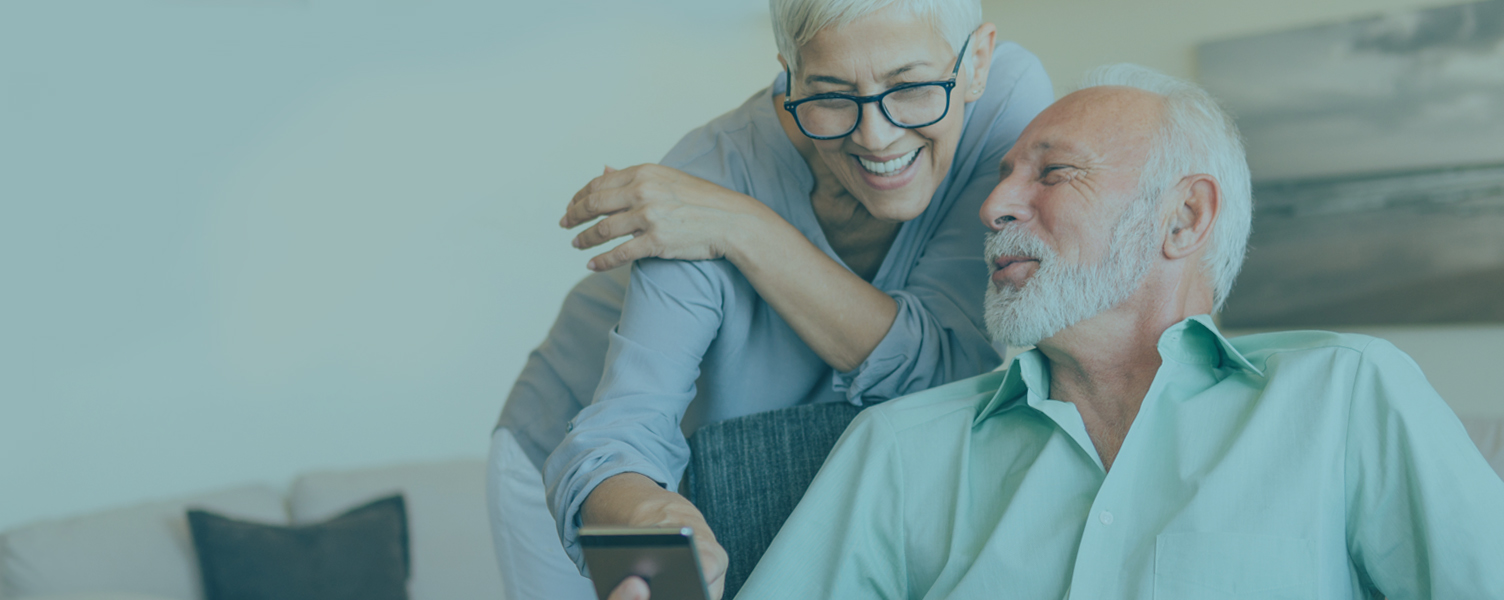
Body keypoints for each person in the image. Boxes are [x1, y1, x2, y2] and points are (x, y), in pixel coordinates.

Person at [716, 64, 1504, 600]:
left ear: (1184, 217)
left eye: (1052, 173)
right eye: (1003, 178)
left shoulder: (1345, 393)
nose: (995, 210)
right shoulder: (895, 448)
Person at [486, 0, 1055, 598]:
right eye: (831, 94)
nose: (877, 135)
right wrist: (648, 516)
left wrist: (744, 228)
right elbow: (615, 436)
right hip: (583, 462)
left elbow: (946, 368)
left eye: (910, 86)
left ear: (978, 61)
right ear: (789, 78)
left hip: (769, 449)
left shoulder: (1005, 112)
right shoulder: (705, 177)